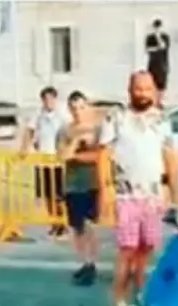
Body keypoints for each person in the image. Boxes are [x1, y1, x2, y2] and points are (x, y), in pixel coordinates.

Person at [99, 71, 178, 306]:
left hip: (153, 196)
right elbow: (104, 155)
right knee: (127, 250)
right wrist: (105, 189)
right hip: (126, 194)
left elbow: (170, 156)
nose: (143, 93)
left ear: (155, 91)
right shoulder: (117, 117)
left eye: (147, 89)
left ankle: (141, 300)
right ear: (130, 90)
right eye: (138, 88)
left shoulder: (162, 119)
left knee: (145, 251)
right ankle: (118, 301)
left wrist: (174, 192)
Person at [57, 90, 102, 286]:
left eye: (81, 107)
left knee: (90, 225)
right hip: (72, 185)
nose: (78, 112)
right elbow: (62, 155)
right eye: (74, 108)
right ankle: (85, 262)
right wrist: (76, 142)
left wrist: (75, 156)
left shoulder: (98, 130)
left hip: (92, 183)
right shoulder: (65, 130)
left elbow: (99, 156)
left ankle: (92, 264)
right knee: (77, 227)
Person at [20, 86, 69, 239]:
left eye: (51, 99)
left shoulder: (62, 116)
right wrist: (25, 147)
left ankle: (63, 224)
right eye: (46, 99)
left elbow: (69, 133)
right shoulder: (38, 115)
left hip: (57, 161)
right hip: (42, 160)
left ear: (55, 99)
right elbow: (29, 131)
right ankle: (54, 223)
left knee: (59, 195)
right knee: (47, 195)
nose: (49, 102)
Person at [145, 19, 170, 95]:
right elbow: (148, 49)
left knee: (162, 86)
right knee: (152, 83)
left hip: (163, 64)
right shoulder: (150, 38)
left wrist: (158, 37)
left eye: (158, 28)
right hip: (152, 64)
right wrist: (157, 48)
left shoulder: (165, 37)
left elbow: (163, 46)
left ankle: (160, 99)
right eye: (156, 28)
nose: (157, 29)